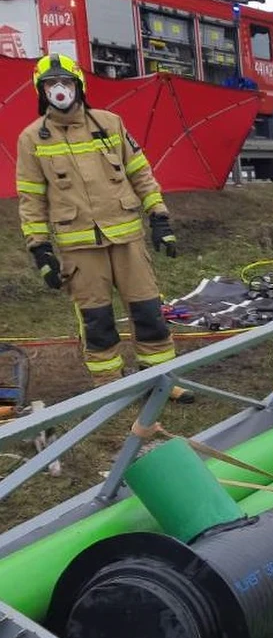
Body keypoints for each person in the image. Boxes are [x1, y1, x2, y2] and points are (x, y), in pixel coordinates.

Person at [15, 54, 192, 401]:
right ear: (41, 91)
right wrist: (40, 248)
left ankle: (160, 381)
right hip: (78, 248)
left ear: (79, 85)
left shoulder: (110, 124)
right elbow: (31, 198)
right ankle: (109, 387)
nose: (59, 90)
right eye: (51, 84)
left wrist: (159, 217)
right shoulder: (32, 138)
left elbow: (140, 172)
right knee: (97, 321)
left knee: (148, 311)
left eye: (66, 82)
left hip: (127, 237)